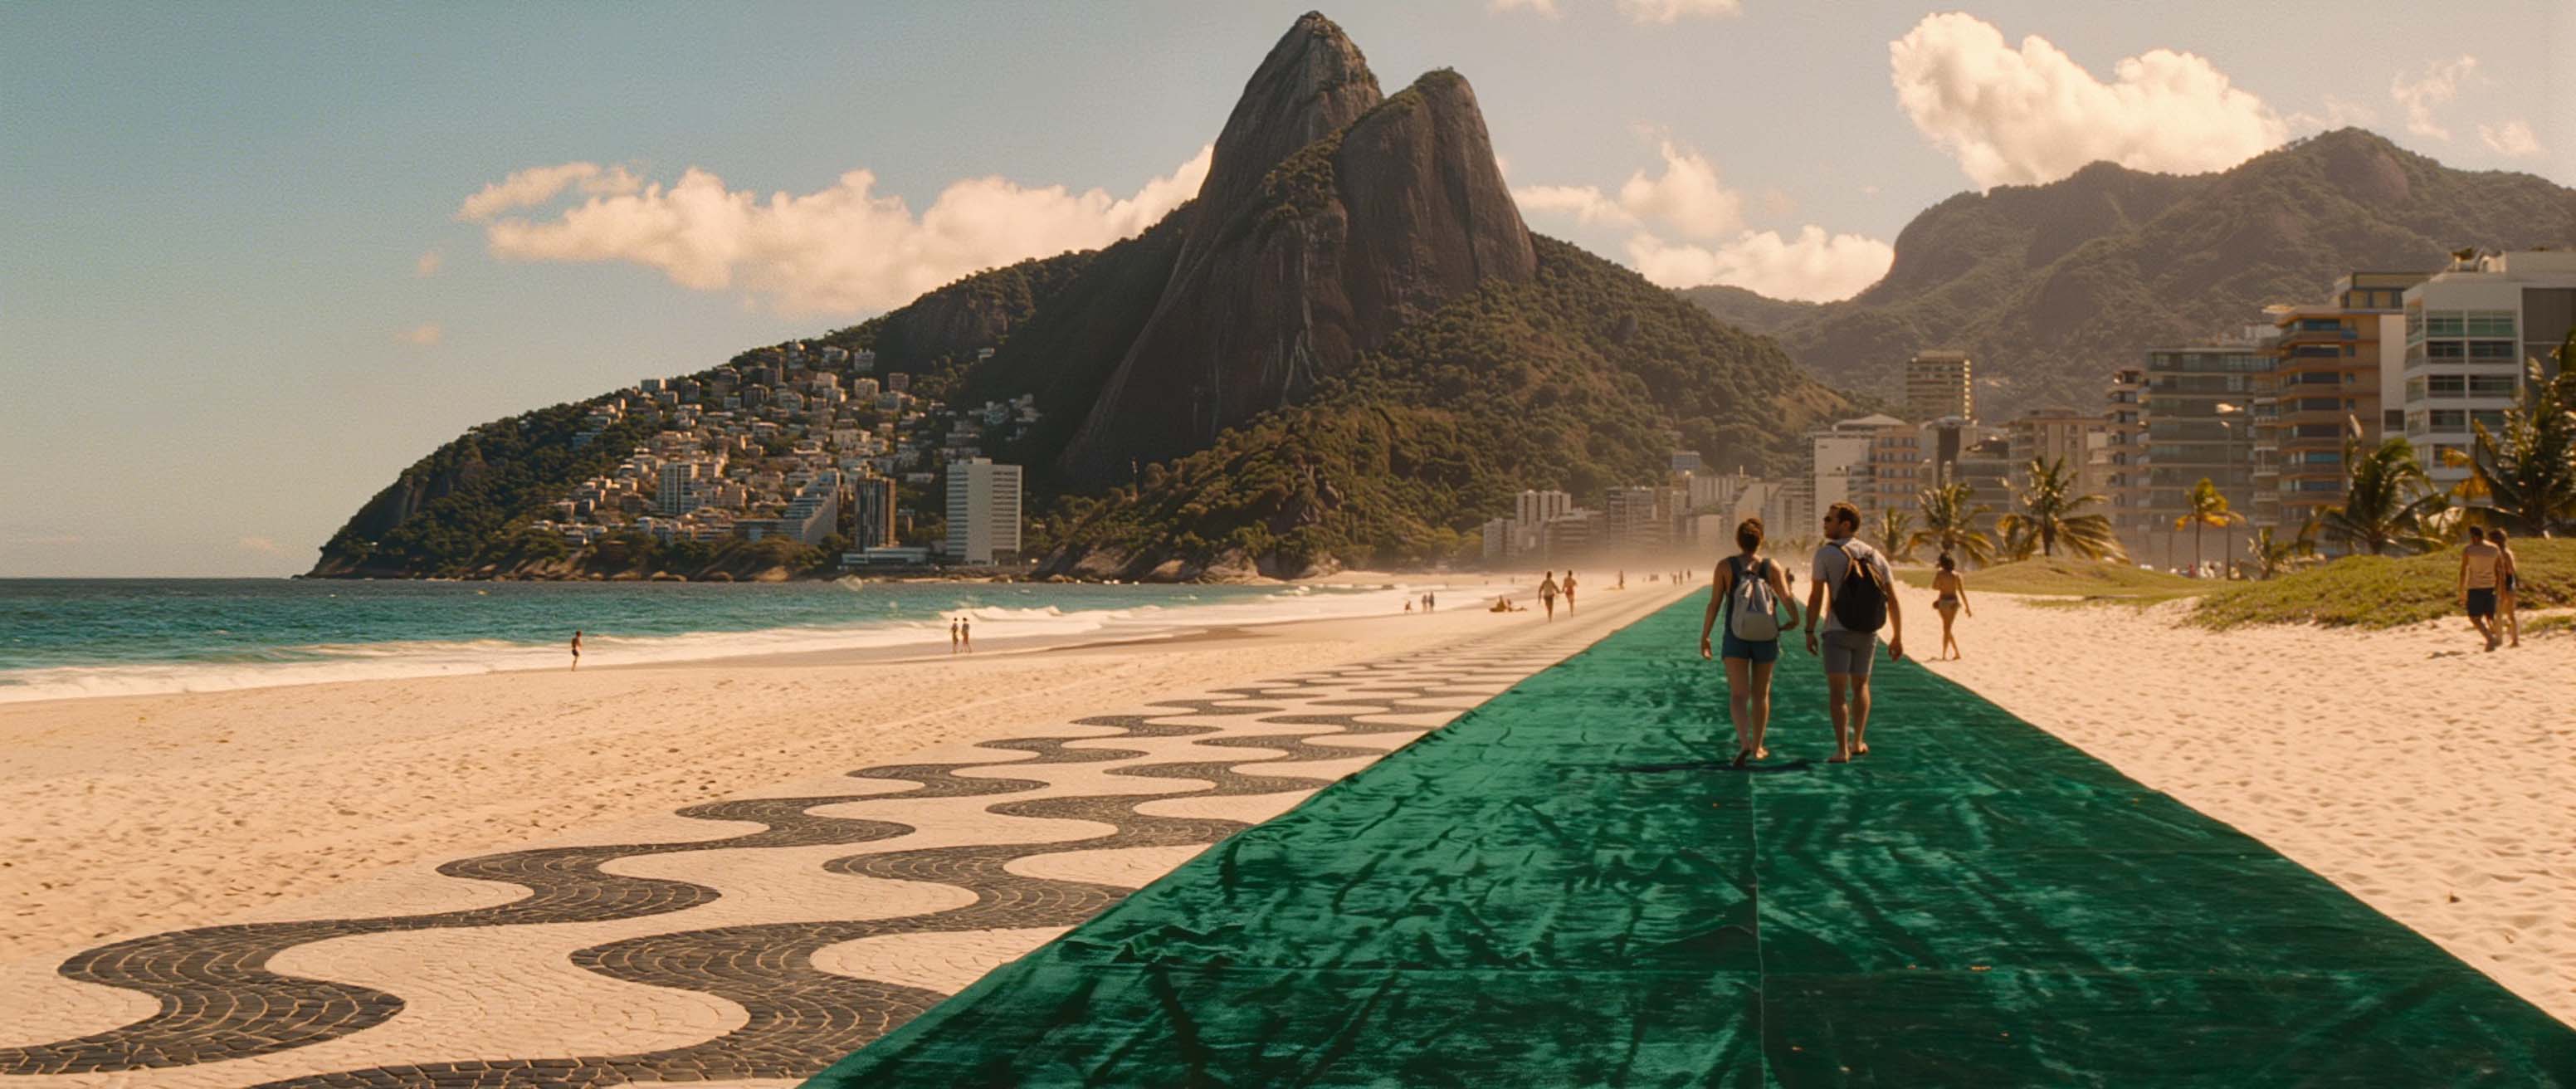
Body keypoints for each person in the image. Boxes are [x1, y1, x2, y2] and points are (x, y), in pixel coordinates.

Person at [1804, 501, 1903, 763]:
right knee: (1861, 686)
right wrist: (1897, 636)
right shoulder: (1875, 555)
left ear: (1845, 524)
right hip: (1868, 631)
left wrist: (1809, 630)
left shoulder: (1826, 554)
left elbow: (1815, 597)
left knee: (1837, 692)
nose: (1825, 523)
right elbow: (1892, 599)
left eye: (1829, 519)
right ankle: (1858, 741)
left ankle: (1841, 749)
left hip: (1837, 630)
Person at [1700, 517, 1798, 767]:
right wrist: (1796, 619)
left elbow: (1714, 604)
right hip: (1766, 634)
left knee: (1738, 694)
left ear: (1738, 540)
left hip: (1736, 635)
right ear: (1760, 540)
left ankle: (1744, 740)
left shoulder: (1725, 566)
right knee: (1761, 693)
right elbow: (1786, 596)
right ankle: (1758, 747)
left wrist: (1705, 636)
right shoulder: (1771, 565)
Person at [2458, 531, 2502, 652]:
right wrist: (2498, 588)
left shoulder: (2469, 550)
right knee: (2490, 615)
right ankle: (2496, 638)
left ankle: (2490, 639)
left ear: (2474, 537)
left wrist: (2462, 591)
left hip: (2475, 588)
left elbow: (2463, 571)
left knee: (2474, 617)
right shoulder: (2494, 549)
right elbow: (2499, 570)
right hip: (2490, 587)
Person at [1930, 554, 1971, 661]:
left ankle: (1944, 655)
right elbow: (1962, 592)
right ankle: (1956, 653)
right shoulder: (1956, 575)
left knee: (1946, 628)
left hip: (1943, 601)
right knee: (1948, 628)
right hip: (1954, 602)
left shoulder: (1940, 574)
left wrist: (1942, 585)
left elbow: (1934, 586)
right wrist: (1968, 607)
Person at [2491, 528, 2520, 649]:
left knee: (2504, 613)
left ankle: (2508, 640)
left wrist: (2500, 571)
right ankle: (2510, 639)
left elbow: (2511, 569)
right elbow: (2513, 570)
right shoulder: (2505, 552)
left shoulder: (2504, 553)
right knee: (2505, 613)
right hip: (2506, 582)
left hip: (2505, 583)